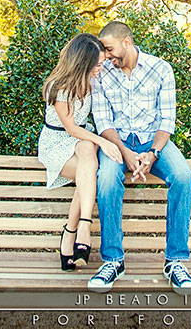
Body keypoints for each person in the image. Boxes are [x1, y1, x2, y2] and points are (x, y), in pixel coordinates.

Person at [86, 21, 191, 295]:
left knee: (183, 176)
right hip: (118, 141)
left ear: (126, 42)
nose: (106, 55)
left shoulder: (161, 69)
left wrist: (152, 153)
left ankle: (175, 262)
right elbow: (102, 121)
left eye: (109, 49)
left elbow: (167, 119)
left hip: (152, 140)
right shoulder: (101, 75)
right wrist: (125, 152)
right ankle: (113, 261)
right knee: (108, 178)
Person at [37, 33, 124, 271]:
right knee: (90, 171)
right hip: (57, 142)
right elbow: (71, 128)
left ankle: (74, 231)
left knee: (88, 156)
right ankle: (78, 228)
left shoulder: (92, 80)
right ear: (82, 63)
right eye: (96, 65)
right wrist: (104, 143)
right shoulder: (58, 87)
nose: (100, 68)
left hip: (83, 141)